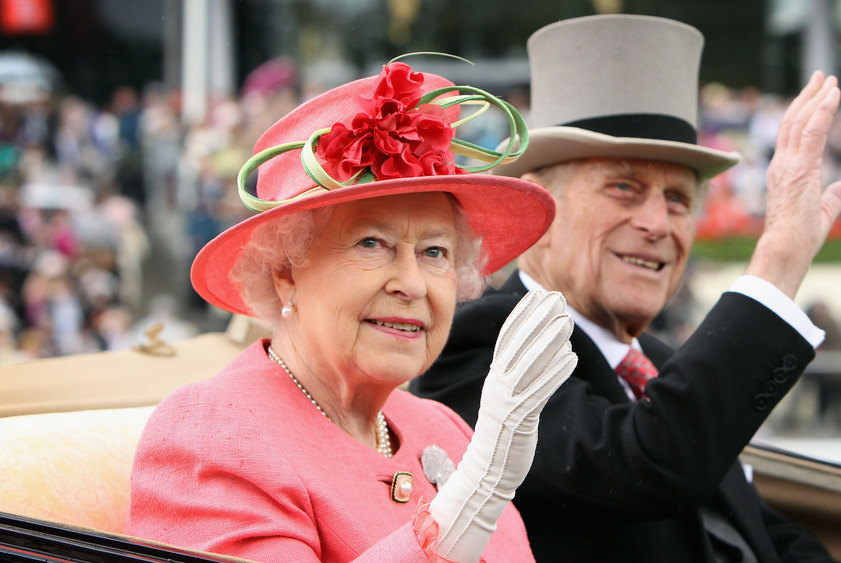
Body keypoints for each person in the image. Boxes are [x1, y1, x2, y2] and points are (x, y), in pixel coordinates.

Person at [410, 14, 841, 562]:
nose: (658, 223)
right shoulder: (483, 342)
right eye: (625, 187)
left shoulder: (663, 370)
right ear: (541, 213)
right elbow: (647, 463)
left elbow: (762, 538)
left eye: (677, 200)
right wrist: (779, 261)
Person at [125, 60, 579, 563]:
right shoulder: (212, 433)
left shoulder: (444, 429)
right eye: (371, 243)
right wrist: (466, 503)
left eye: (434, 253)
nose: (411, 284)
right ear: (286, 272)